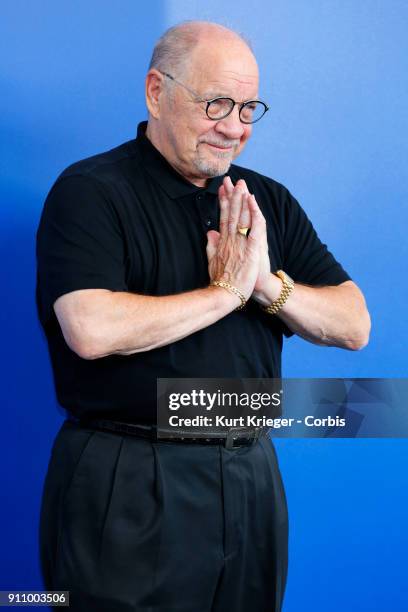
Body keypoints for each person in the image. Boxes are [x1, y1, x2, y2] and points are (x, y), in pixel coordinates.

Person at [36, 20, 370, 612]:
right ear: (156, 91)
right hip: (130, 478)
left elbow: (354, 324)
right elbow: (90, 330)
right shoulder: (90, 191)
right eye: (217, 102)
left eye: (248, 108)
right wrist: (224, 293)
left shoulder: (265, 200)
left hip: (252, 477)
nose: (235, 128)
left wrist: (265, 283)